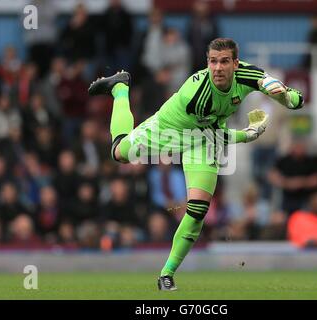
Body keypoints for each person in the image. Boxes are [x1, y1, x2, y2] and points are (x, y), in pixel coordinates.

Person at [88, 38, 304, 291]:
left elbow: (294, 99)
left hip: (203, 138)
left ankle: (166, 274)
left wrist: (285, 96)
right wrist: (248, 134)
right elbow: (215, 135)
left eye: (224, 61)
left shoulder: (248, 74)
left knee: (198, 210)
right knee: (118, 153)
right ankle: (120, 88)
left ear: (236, 63)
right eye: (213, 61)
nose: (218, 68)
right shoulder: (198, 94)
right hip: (172, 128)